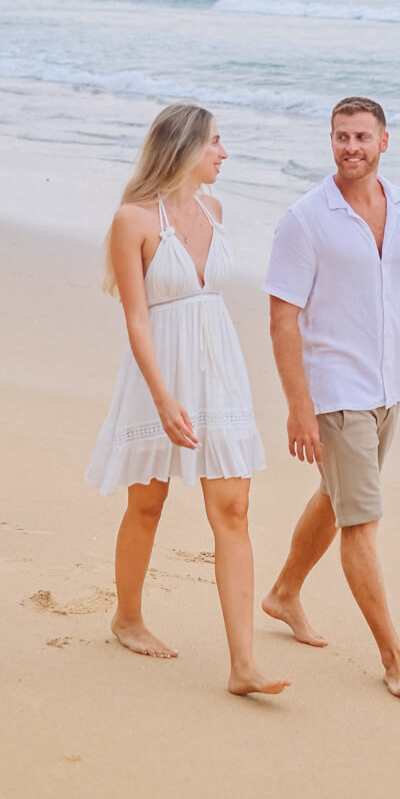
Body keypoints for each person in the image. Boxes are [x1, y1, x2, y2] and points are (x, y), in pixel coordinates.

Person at [260, 96, 400, 699]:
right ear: (330, 141)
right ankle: (394, 656)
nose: (350, 147)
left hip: (386, 391)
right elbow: (282, 320)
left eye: (361, 137)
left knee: (337, 498)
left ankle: (283, 593)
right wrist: (299, 406)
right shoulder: (305, 219)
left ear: (384, 141)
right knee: (362, 522)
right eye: (340, 137)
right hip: (336, 393)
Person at [86, 102, 288, 698]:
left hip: (218, 371)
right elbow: (137, 320)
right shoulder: (132, 220)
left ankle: (243, 665)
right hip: (159, 376)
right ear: (184, 149)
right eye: (215, 142)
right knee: (147, 504)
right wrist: (162, 397)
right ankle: (127, 617)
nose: (224, 153)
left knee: (234, 509)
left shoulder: (214, 211)